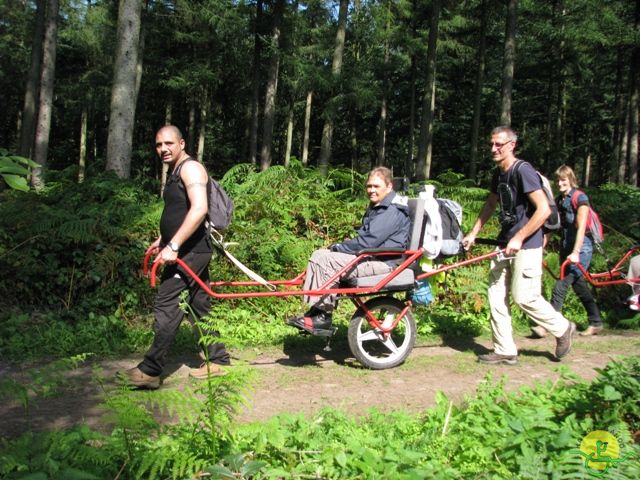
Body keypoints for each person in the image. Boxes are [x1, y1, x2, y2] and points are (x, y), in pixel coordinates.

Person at [123, 125, 230, 389]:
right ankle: (217, 360)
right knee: (199, 306)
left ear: (181, 143)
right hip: (188, 248)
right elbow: (181, 212)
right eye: (159, 145)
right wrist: (163, 240)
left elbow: (199, 209)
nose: (163, 149)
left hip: (191, 252)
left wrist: (174, 245)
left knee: (166, 304)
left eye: (169, 143)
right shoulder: (176, 172)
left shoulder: (191, 169)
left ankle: (150, 370)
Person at [462, 126, 576, 365]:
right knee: (495, 294)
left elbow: (543, 210)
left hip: (528, 243)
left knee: (524, 296)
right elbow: (491, 204)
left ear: (512, 145)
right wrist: (474, 232)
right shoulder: (499, 173)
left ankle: (563, 327)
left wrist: (519, 237)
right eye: (491, 144)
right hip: (505, 242)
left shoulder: (522, 171)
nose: (493, 149)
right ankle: (504, 349)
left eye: (499, 145)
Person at [287, 167, 411, 334]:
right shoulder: (379, 207)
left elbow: (368, 241)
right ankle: (316, 311)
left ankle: (323, 316)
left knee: (327, 260)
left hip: (383, 262)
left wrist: (339, 247)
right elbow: (367, 238)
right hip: (371, 256)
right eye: (369, 186)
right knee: (319, 254)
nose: (371, 190)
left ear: (389, 187)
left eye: (376, 186)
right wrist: (339, 247)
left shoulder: (391, 211)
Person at [531, 165, 603, 338]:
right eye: (558, 180)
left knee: (560, 286)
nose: (560, 183)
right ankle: (596, 322)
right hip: (566, 247)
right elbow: (552, 227)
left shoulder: (580, 198)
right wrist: (541, 247)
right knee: (579, 287)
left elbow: (581, 228)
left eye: (563, 179)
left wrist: (576, 252)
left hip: (581, 248)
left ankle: (547, 326)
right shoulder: (559, 200)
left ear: (570, 179)